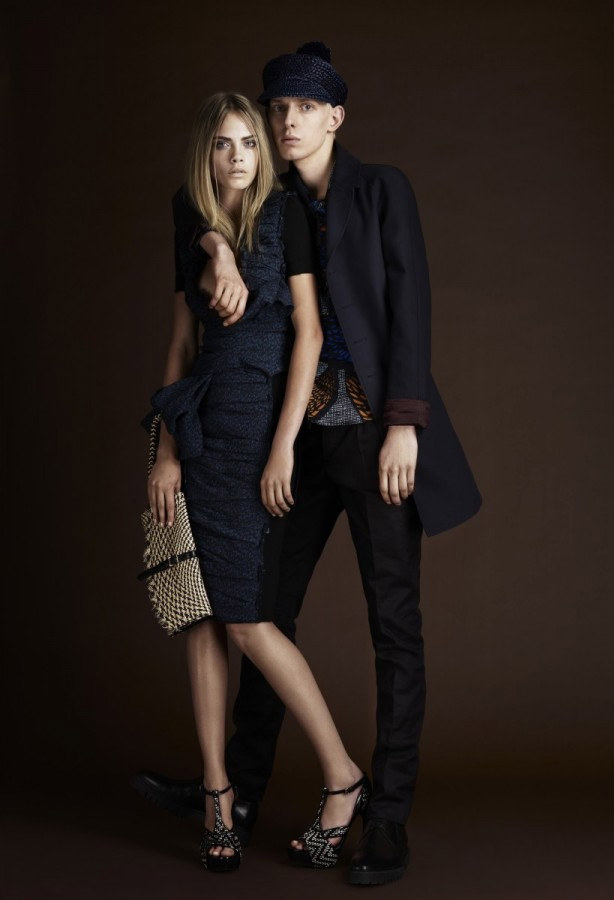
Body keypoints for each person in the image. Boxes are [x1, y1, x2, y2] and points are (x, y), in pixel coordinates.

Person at [133, 44, 481, 885]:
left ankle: (382, 816)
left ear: (335, 117)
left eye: (304, 108)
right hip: (289, 441)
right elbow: (197, 212)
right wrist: (213, 249)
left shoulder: (379, 189)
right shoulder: (267, 197)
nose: (286, 121)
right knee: (262, 608)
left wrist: (405, 424)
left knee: (392, 624)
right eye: (276, 108)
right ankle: (238, 790)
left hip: (369, 430)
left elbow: (410, 308)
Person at [143, 90, 371, 873]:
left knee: (245, 619)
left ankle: (342, 774)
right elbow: (180, 346)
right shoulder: (191, 221)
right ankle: (217, 793)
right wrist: (165, 452)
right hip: (199, 426)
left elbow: (307, 334)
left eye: (249, 141)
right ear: (204, 154)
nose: (239, 155)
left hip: (257, 431)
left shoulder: (286, 215)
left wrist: (284, 448)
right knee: (200, 618)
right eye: (223, 144)